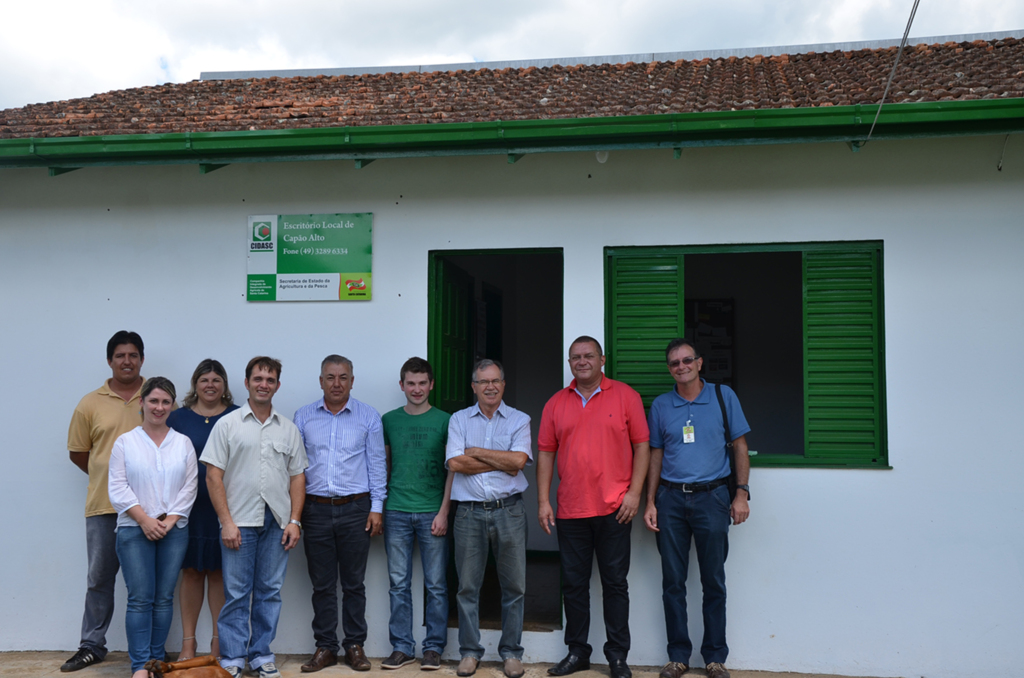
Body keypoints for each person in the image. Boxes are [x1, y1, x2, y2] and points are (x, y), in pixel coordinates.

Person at [536, 336, 650, 678]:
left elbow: (643, 447)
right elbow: (545, 453)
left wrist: (634, 494)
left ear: (603, 359)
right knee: (573, 584)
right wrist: (543, 500)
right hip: (571, 510)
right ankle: (577, 652)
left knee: (615, 584)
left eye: (588, 356)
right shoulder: (556, 403)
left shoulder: (626, 396)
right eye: (575, 357)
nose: (581, 361)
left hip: (616, 508)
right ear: (569, 363)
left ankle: (617, 656)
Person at [644, 338, 751, 678]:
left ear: (700, 362)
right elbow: (655, 454)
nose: (681, 366)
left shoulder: (723, 396)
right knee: (672, 581)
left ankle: (714, 657)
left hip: (713, 497)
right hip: (671, 500)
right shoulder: (661, 405)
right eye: (674, 363)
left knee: (713, 581)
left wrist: (741, 494)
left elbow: (740, 446)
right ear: (669, 369)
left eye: (687, 360)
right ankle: (677, 657)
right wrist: (650, 500)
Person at [201, 356, 308, 678]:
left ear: (277, 385)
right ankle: (232, 658)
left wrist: (294, 520)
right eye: (258, 378)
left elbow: (297, 478)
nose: (264, 384)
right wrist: (226, 522)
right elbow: (213, 476)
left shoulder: (288, 429)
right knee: (236, 594)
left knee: (269, 593)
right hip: (239, 523)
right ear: (247, 383)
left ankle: (261, 655)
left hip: (277, 524)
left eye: (270, 379)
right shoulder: (228, 425)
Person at [293, 355, 387, 674]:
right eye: (330, 377)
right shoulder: (303, 416)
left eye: (343, 377)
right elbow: (295, 469)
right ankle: (325, 647)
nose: (337, 383)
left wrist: (377, 508)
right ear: (320, 381)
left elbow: (377, 464)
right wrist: (295, 513)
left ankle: (354, 646)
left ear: (352, 380)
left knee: (353, 583)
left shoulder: (368, 416)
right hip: (315, 509)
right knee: (321, 583)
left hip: (356, 508)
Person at [63, 331, 147, 673]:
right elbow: (80, 454)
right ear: (110, 360)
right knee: (99, 579)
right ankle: (91, 645)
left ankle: (150, 649)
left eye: (133, 355)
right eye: (120, 355)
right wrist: (110, 480)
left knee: (146, 583)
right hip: (103, 508)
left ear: (142, 358)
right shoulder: (89, 403)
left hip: (148, 512)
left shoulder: (155, 396)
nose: (126, 361)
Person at [108, 377, 199, 678]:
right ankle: (139, 667)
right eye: (154, 401)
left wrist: (170, 520)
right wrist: (145, 520)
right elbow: (118, 488)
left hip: (174, 530)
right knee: (140, 598)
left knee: (163, 598)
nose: (159, 407)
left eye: (165, 402)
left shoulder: (182, 442)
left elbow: (190, 486)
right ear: (142, 403)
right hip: (135, 529)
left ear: (172, 406)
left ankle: (157, 661)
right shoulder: (126, 442)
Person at [446, 359, 532, 678]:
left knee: (515, 586)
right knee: (468, 586)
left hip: (509, 510)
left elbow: (519, 461)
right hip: (468, 513)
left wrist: (476, 451)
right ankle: (470, 651)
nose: (490, 387)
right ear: (474, 387)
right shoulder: (458, 419)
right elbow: (455, 464)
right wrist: (502, 461)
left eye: (495, 381)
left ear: (504, 384)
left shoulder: (520, 419)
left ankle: (511, 652)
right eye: (483, 382)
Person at [380, 357, 454, 671]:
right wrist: (380, 508)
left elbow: (454, 470)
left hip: (431, 512)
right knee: (398, 583)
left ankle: (434, 648)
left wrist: (444, 511)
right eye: (411, 383)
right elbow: (382, 466)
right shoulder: (389, 420)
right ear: (402, 385)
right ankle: (402, 647)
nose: (417, 389)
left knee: (436, 584)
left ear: (431, 384)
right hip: (396, 509)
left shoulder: (446, 420)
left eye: (422, 383)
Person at [167, 359, 239, 660]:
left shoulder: (237, 416)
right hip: (187, 508)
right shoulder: (177, 418)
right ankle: (188, 643)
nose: (210, 385)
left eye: (216, 380)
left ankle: (218, 642)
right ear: (195, 384)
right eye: (204, 379)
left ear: (224, 386)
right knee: (192, 573)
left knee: (221, 574)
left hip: (227, 507)